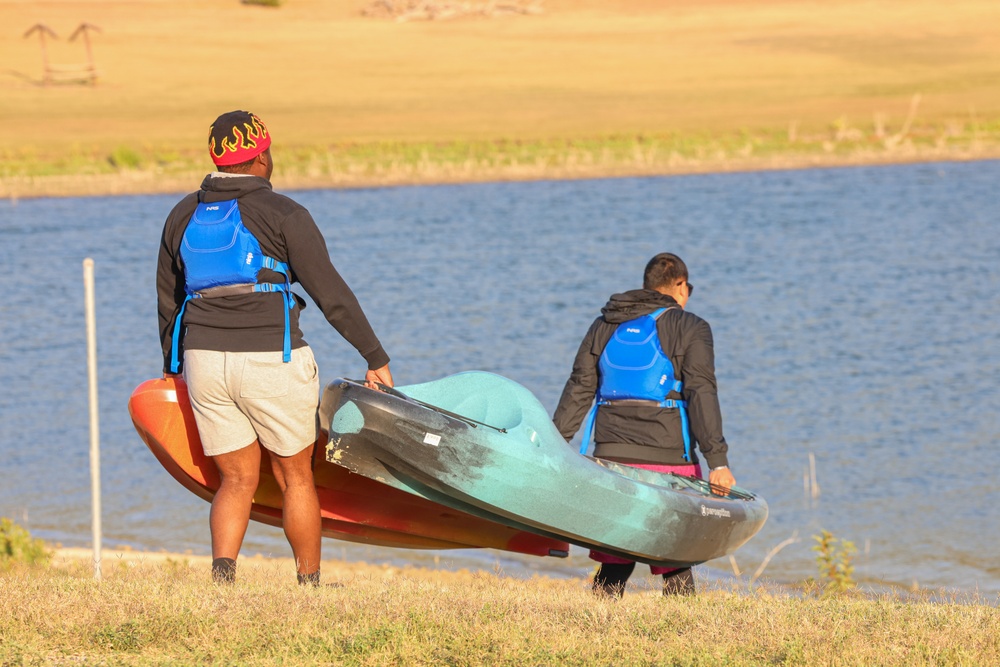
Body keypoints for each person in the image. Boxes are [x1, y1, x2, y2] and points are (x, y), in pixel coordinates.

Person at [157, 110, 393, 586]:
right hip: (272, 358)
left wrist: (173, 366)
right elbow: (333, 295)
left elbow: (168, 299)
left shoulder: (182, 213)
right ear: (262, 156)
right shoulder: (285, 213)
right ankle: (309, 587)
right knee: (295, 478)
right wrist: (375, 356)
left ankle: (222, 585)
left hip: (205, 362)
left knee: (236, 480)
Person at [552, 252, 736, 597]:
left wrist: (555, 442)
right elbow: (701, 393)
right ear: (679, 286)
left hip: (611, 456)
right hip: (670, 459)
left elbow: (579, 386)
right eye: (688, 287)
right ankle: (682, 632)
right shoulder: (691, 327)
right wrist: (718, 461)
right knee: (677, 558)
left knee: (616, 555)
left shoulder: (606, 323)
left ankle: (597, 622)